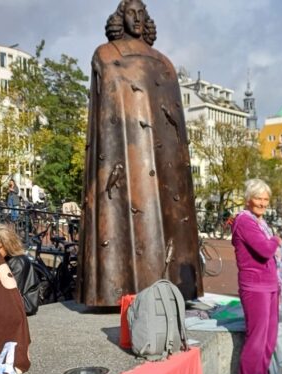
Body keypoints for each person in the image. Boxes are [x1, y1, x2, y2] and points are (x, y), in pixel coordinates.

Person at [78, 0, 202, 306]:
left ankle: (172, 284)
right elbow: (104, 113)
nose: (136, 18)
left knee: (165, 213)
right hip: (120, 151)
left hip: (162, 162)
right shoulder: (105, 55)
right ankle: (114, 289)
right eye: (129, 13)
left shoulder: (164, 63)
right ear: (120, 18)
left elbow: (173, 126)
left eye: (140, 13)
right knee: (122, 212)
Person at [231, 178, 282, 374]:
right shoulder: (245, 221)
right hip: (255, 287)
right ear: (248, 199)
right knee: (256, 340)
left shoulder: (260, 222)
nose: (262, 203)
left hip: (269, 285)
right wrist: (275, 239)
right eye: (258, 198)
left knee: (269, 339)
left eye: (266, 199)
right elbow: (264, 250)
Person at [0, 224, 41, 315]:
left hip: (24, 305)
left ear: (8, 245)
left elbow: (11, 293)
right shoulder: (4, 259)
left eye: (0, 247)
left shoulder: (18, 262)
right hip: (11, 303)